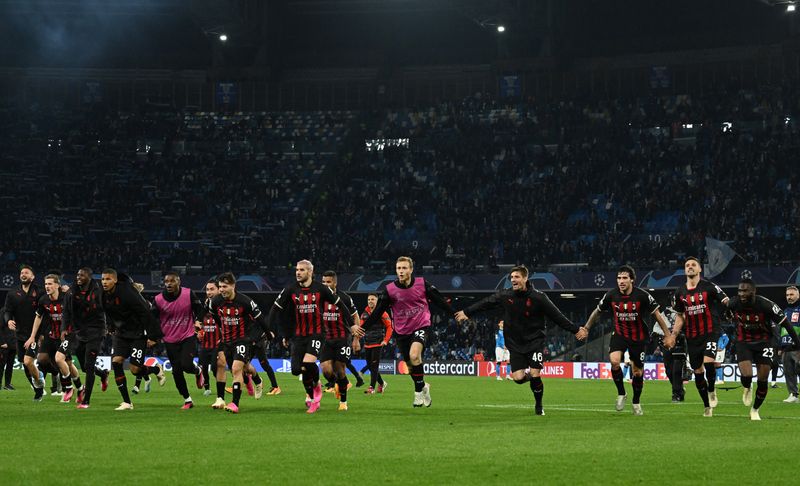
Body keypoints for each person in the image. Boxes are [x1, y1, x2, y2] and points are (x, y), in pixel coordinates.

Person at [456, 265, 587, 415]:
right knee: (518, 378)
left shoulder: (539, 297)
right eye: (511, 277)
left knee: (536, 374)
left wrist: (576, 330)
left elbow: (557, 317)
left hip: (534, 341)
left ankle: (539, 405)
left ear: (525, 278)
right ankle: (532, 376)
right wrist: (467, 312)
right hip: (515, 343)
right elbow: (486, 303)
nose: (513, 280)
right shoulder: (506, 296)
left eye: (517, 277)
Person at [268, 260, 361, 414]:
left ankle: (340, 400)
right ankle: (317, 385)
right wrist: (276, 331)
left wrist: (353, 329)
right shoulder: (291, 290)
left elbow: (347, 310)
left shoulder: (326, 292)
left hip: (328, 336)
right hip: (301, 336)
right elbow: (281, 312)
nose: (298, 272)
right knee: (302, 370)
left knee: (338, 368)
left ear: (310, 272)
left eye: (302, 270)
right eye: (297, 270)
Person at [362, 256, 455, 408]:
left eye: (404, 268)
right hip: (402, 331)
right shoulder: (390, 290)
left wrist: (454, 313)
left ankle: (418, 393)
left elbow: (439, 300)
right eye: (399, 268)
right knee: (411, 366)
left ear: (411, 270)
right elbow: (378, 312)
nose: (401, 271)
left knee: (414, 355)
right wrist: (363, 328)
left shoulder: (422, 284)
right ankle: (424, 386)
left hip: (420, 325)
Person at [583, 265, 674, 416]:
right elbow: (597, 311)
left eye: (625, 278)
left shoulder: (642, 296)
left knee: (637, 372)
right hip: (619, 334)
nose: (621, 281)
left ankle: (636, 402)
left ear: (632, 279)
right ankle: (621, 393)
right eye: (619, 278)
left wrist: (668, 335)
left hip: (638, 338)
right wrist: (586, 328)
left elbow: (657, 315)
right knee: (614, 361)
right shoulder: (611, 295)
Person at [726, 278, 800, 420]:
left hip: (764, 342)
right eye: (739, 290)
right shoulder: (733, 303)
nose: (741, 293)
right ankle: (747, 387)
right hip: (744, 341)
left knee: (762, 379)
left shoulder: (766, 305)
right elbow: (726, 312)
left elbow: (787, 324)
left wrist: (798, 343)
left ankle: (755, 410)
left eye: (745, 290)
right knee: (746, 376)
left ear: (753, 291)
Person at [668, 257, 730, 417]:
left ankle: (712, 388)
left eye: (693, 265)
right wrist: (673, 335)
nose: (690, 267)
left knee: (709, 362)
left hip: (710, 331)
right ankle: (707, 406)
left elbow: (726, 301)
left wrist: (732, 310)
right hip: (692, 336)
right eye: (687, 265)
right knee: (697, 371)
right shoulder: (680, 292)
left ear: (699, 269)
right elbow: (680, 316)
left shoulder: (709, 287)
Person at [102, 269, 165, 410]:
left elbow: (146, 313)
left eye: (108, 279)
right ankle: (127, 402)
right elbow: (108, 311)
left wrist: (154, 336)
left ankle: (155, 370)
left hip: (137, 334)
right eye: (103, 279)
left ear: (115, 280)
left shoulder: (127, 293)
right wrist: (110, 326)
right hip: (121, 334)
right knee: (116, 362)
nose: (104, 282)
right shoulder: (103, 294)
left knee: (135, 369)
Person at [207, 272, 269, 414]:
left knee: (236, 369)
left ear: (233, 286)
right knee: (245, 368)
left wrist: (269, 333)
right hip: (226, 341)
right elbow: (217, 318)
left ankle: (235, 403)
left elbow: (260, 318)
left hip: (242, 340)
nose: (222, 289)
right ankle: (257, 379)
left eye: (225, 286)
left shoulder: (245, 302)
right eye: (220, 286)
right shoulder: (215, 302)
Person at [153, 271, 207, 409]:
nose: (169, 284)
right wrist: (154, 336)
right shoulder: (158, 299)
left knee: (186, 365)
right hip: (169, 339)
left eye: (172, 281)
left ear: (179, 282)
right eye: (166, 281)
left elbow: (200, 310)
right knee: (176, 371)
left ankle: (198, 371)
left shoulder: (188, 294)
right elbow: (152, 319)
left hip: (187, 336)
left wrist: (198, 321)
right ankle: (188, 400)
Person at [62, 268, 110, 409]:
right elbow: (66, 311)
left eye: (82, 275)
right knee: (84, 366)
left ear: (89, 277)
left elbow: (108, 308)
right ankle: (103, 373)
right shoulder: (71, 291)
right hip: (79, 332)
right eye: (77, 274)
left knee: (89, 366)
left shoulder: (99, 290)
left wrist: (111, 325)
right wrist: (64, 328)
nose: (78, 277)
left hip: (96, 331)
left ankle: (86, 400)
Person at [25, 274, 74, 401]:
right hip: (51, 334)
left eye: (50, 284)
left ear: (58, 285)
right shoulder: (43, 300)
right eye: (46, 284)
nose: (47, 286)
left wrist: (70, 291)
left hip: (66, 335)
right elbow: (38, 316)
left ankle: (74, 388)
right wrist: (32, 336)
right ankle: (58, 376)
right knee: (41, 359)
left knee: (66, 363)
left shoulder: (66, 298)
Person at [4, 264, 44, 394]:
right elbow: (8, 311)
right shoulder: (12, 293)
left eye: (26, 273)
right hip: (20, 334)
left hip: (35, 333)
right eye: (22, 273)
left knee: (28, 360)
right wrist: (9, 320)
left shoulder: (40, 292)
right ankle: (35, 381)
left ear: (32, 277)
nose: (23, 274)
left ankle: (39, 382)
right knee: (24, 362)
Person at [360, 292, 392, 394]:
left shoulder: (382, 312)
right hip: (367, 343)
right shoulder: (364, 314)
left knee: (374, 366)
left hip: (378, 343)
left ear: (377, 301)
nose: (370, 301)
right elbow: (361, 328)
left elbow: (390, 327)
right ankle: (382, 383)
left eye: (372, 299)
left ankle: (371, 387)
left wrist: (385, 340)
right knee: (370, 366)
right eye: (369, 299)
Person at [197, 279, 221, 397]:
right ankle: (207, 388)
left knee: (215, 368)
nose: (209, 292)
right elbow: (198, 324)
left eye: (212, 289)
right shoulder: (205, 308)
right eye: (207, 289)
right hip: (205, 345)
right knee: (204, 368)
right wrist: (199, 332)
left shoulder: (222, 307)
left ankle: (222, 386)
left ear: (219, 289)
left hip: (218, 344)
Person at [780, 286, 800, 403]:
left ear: (798, 295)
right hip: (786, 347)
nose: (789, 297)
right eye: (787, 295)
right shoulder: (785, 311)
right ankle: (793, 394)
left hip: (798, 347)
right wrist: (780, 346)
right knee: (789, 372)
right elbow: (781, 330)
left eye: (792, 295)